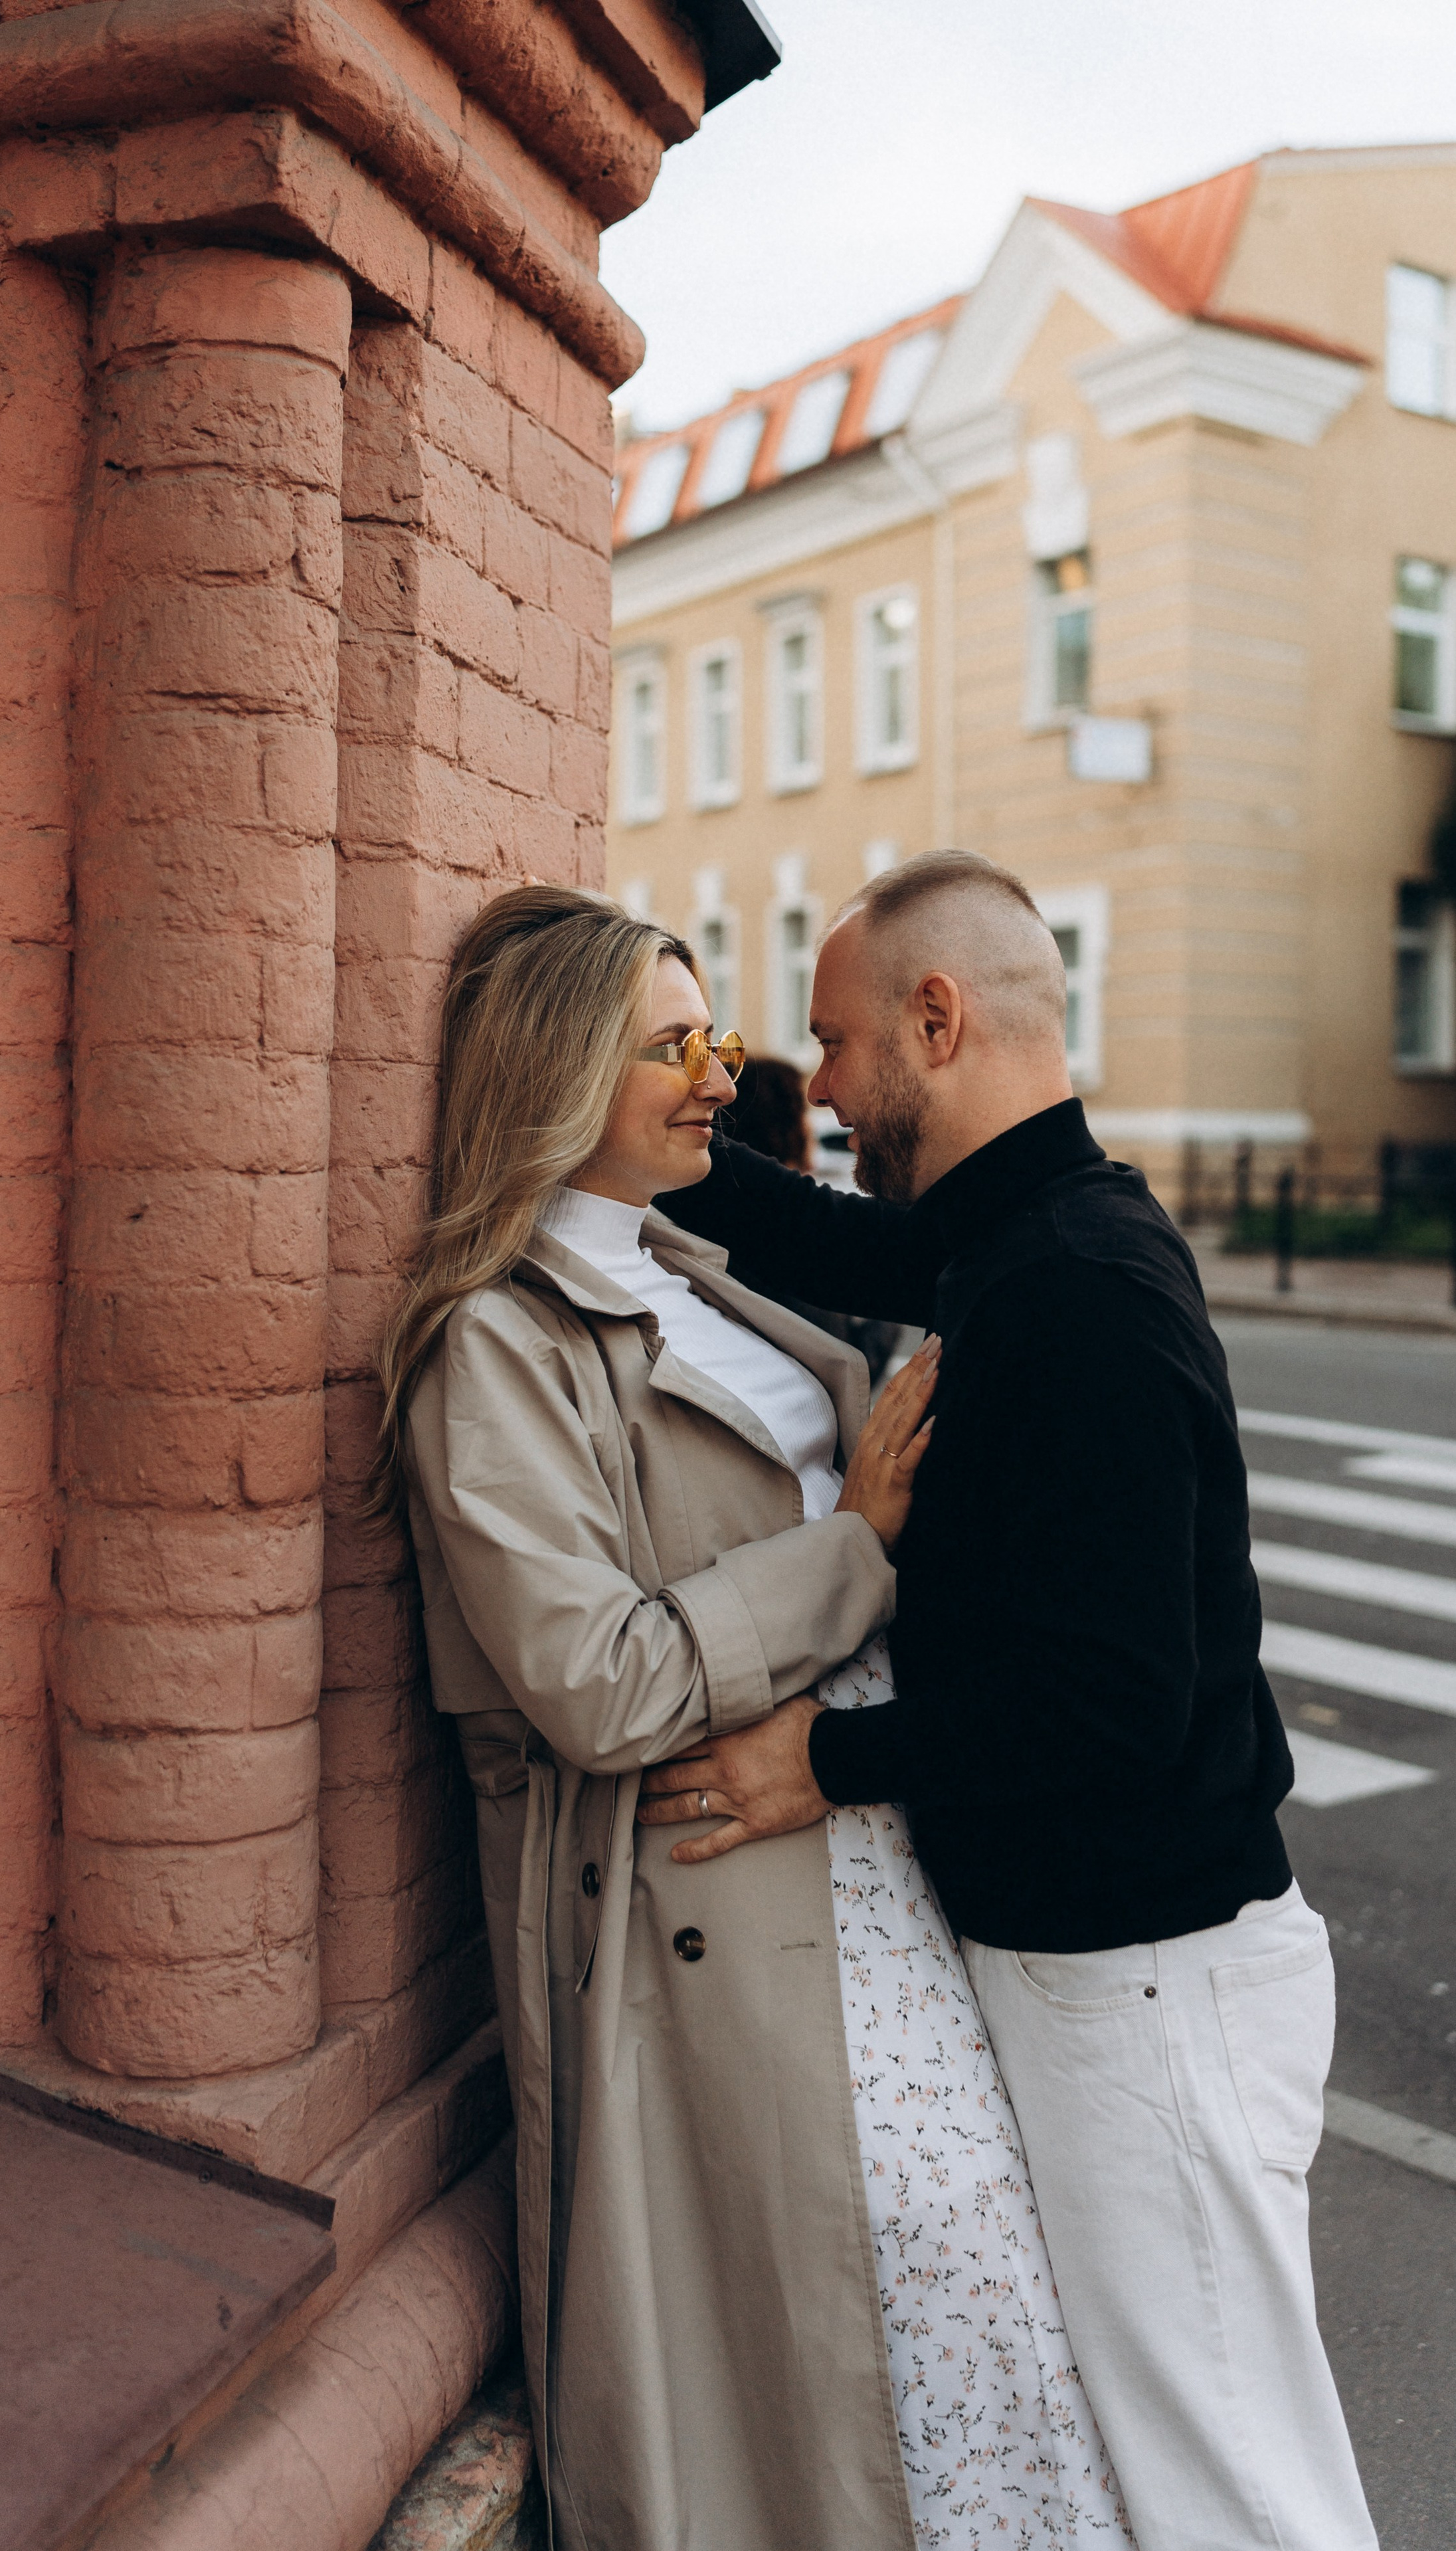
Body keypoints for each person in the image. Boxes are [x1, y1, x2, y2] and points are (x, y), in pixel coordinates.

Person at [375, 884, 1135, 2551]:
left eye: (710, 1036)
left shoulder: (694, 1265)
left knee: (991, 2325)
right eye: (670, 1047)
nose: (721, 1076)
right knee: (867, 2357)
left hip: (869, 1864)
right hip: (709, 1910)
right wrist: (849, 1549)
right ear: (555, 1072)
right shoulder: (492, 1348)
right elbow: (603, 1681)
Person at [647, 849, 1376, 2551]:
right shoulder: (1027, 1235)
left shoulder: (1078, 1294)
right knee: (1182, 2467)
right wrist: (647, 1160)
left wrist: (819, 1757)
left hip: (1150, 1991)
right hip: (1119, 1980)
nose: (809, 1087)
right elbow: (847, 1233)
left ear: (934, 1015)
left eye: (830, 1044)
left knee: (1231, 2493)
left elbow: (1110, 1701)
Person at [725, 1054, 900, 1383]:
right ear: (783, 1122)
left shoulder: (736, 1220)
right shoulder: (782, 1233)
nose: (811, 1123)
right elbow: (852, 1363)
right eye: (803, 1112)